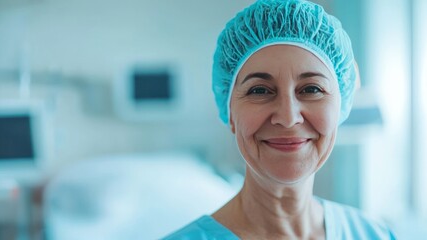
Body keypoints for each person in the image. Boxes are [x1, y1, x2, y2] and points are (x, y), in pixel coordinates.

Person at [162, 0, 396, 239]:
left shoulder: (374, 234)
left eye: (312, 89)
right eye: (260, 90)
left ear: (340, 106)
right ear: (231, 113)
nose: (288, 117)